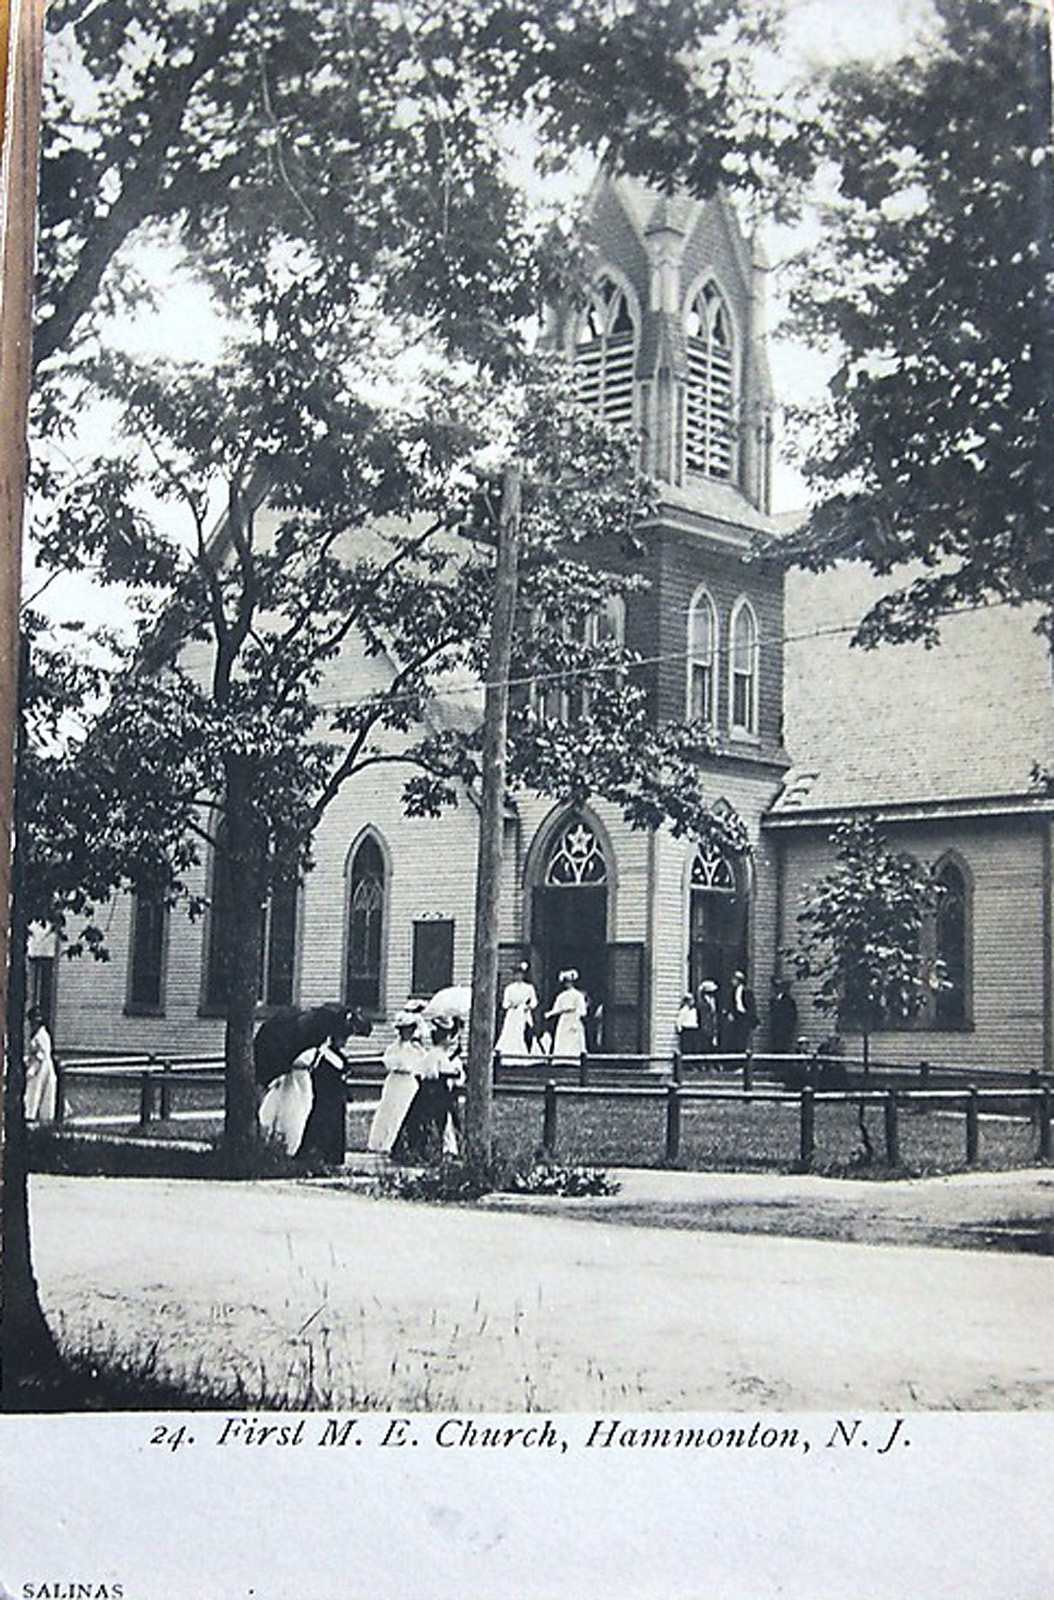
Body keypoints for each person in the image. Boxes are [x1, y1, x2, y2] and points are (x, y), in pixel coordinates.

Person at [368, 1010, 427, 1154]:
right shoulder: (393, 1048)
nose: (405, 1033)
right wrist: (398, 1063)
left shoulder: (417, 1049)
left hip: (408, 1083)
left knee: (402, 1111)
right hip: (394, 1081)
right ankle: (380, 1142)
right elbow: (389, 1062)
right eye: (402, 1030)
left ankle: (397, 1142)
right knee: (388, 1110)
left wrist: (407, 1064)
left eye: (409, 1029)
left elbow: (419, 1065)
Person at [494, 961, 538, 1061]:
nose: (518, 976)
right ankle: (508, 1053)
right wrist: (511, 1005)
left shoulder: (529, 988)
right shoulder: (509, 989)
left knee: (522, 1032)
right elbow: (505, 1004)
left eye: (520, 974)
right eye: (516, 974)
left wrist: (528, 1006)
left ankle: (523, 1053)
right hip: (512, 1013)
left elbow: (534, 1001)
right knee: (510, 1032)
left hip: (523, 1012)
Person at [546, 969, 588, 1060]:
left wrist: (577, 1019)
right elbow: (557, 1009)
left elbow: (582, 1010)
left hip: (574, 1017)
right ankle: (562, 1057)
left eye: (569, 982)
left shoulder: (578, 995)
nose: (568, 984)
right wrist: (549, 1014)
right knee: (563, 1037)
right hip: (564, 1019)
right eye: (566, 982)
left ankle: (574, 1057)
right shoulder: (561, 996)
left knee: (573, 1037)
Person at [25, 1008, 57, 1123]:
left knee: (36, 1090)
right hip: (40, 1066)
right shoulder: (37, 1035)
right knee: (36, 1090)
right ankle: (35, 1114)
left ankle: (32, 1115)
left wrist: (32, 1070)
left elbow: (41, 1055)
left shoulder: (41, 1036)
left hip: (42, 1068)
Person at [725, 970, 760, 1054]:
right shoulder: (732, 992)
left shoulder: (747, 991)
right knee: (735, 1039)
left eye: (734, 979)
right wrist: (729, 1013)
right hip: (736, 1017)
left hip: (744, 1017)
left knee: (743, 1038)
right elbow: (730, 1004)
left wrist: (753, 1019)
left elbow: (751, 1007)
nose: (732, 981)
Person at [769, 979, 799, 1055]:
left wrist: (788, 1028)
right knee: (775, 1046)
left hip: (784, 1029)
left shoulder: (788, 1001)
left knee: (783, 1047)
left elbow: (793, 1016)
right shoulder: (773, 1000)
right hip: (775, 1029)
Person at [695, 981, 719, 1054]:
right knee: (704, 1045)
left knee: (711, 1046)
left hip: (712, 1025)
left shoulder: (713, 1000)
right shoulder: (702, 1001)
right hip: (704, 1026)